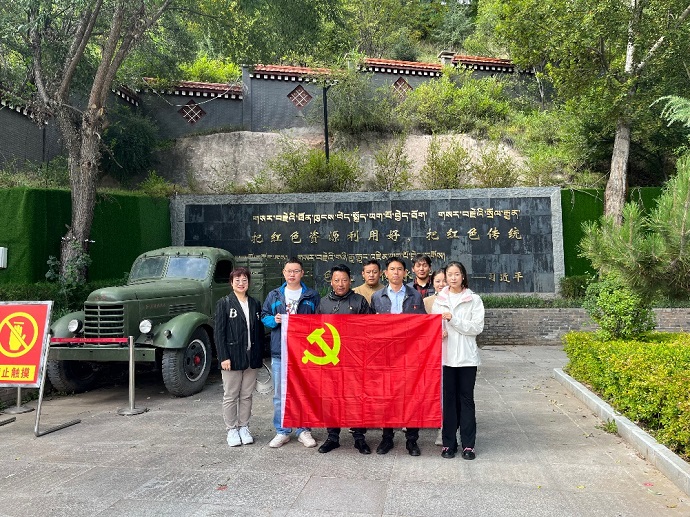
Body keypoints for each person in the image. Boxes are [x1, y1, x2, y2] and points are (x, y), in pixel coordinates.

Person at [261, 258, 320, 448]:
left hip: (305, 353)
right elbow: (264, 316)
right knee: (280, 394)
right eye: (289, 271)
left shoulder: (311, 295)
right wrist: (274, 320)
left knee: (304, 392)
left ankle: (304, 430)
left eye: (296, 271)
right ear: (284, 273)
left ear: (302, 273)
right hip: (280, 351)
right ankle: (282, 430)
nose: (292, 274)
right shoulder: (274, 295)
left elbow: (319, 321)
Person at [370, 256, 426, 456]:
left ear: (405, 272)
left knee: (411, 396)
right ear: (386, 273)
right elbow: (370, 328)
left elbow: (422, 324)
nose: (396, 272)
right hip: (385, 355)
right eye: (392, 269)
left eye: (399, 269)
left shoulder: (414, 295)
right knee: (387, 397)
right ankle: (387, 438)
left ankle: (412, 440)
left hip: (409, 354)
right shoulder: (377, 297)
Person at [316, 264, 373, 455]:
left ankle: (359, 437)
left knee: (356, 398)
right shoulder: (323, 303)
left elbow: (369, 329)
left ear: (350, 281)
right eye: (337, 280)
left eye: (344, 280)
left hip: (354, 360)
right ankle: (332, 437)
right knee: (331, 399)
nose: (340, 284)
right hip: (331, 360)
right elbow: (316, 330)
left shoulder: (359, 301)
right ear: (331, 282)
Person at [432, 261, 484, 460]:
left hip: (466, 358)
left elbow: (476, 328)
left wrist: (453, 320)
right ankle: (448, 443)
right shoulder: (440, 300)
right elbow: (433, 325)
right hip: (446, 358)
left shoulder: (473, 299)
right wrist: (439, 331)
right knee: (449, 401)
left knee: (466, 400)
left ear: (463, 276)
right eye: (449, 274)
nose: (453, 278)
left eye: (457, 274)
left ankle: (468, 445)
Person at [214, 267, 265, 447]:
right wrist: (223, 357)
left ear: (249, 283)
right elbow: (219, 333)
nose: (241, 283)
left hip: (252, 357)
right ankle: (231, 429)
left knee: (246, 395)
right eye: (237, 280)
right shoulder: (224, 303)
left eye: (244, 280)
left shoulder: (255, 303)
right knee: (230, 395)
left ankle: (244, 426)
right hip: (232, 357)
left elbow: (259, 331)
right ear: (231, 283)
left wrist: (260, 354)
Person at [423, 267, 448, 446]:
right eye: (438, 281)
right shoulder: (426, 302)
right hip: (431, 352)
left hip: (451, 351)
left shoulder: (457, 299)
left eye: (444, 280)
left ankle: (443, 429)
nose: (441, 284)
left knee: (446, 391)